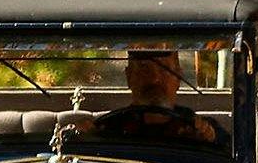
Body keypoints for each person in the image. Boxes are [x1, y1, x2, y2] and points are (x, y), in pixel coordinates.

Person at [79, 47, 227, 146]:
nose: (154, 78)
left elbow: (229, 150)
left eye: (164, 70)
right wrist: (85, 136)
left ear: (178, 77)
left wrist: (209, 138)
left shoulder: (197, 128)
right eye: (144, 68)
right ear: (129, 77)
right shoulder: (108, 128)